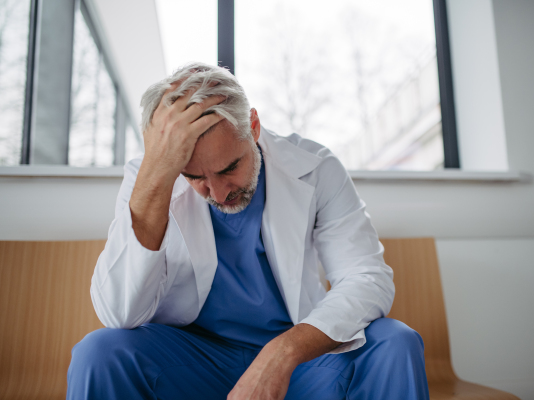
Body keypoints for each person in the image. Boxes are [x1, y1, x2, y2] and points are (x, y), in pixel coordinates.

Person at [67, 62, 429, 399]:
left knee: (394, 342)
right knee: (99, 353)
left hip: (299, 360)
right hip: (192, 361)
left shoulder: (317, 167)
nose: (219, 192)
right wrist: (155, 176)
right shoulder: (149, 180)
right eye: (195, 177)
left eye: (229, 168)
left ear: (253, 127)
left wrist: (284, 351)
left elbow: (367, 277)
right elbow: (118, 314)